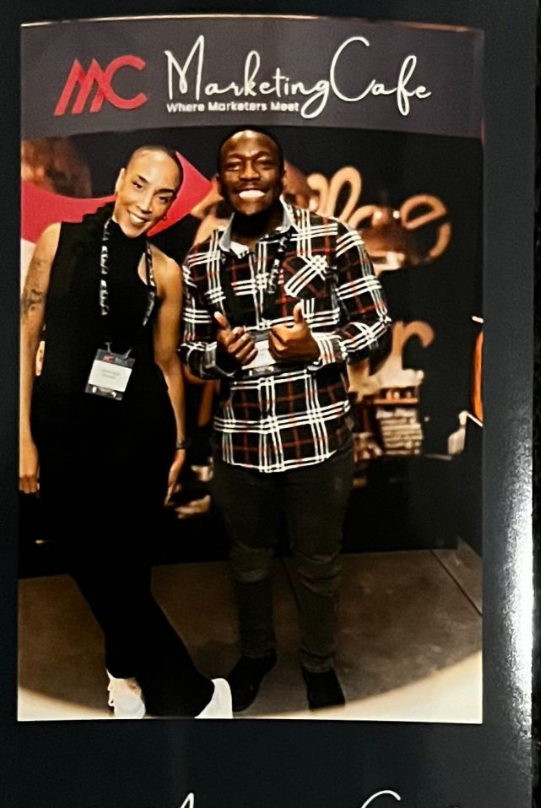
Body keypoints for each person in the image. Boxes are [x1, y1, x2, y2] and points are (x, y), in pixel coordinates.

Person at [180, 128, 391, 712]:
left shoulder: (333, 238)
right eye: (235, 165)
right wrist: (221, 358)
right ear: (219, 180)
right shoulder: (201, 260)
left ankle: (318, 664)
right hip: (239, 446)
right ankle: (257, 655)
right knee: (247, 562)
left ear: (281, 174)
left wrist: (315, 347)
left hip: (318, 439)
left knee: (318, 565)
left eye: (262, 162)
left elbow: (375, 326)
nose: (249, 174)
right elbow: (191, 353)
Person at [19, 145, 231, 718]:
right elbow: (25, 335)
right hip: (61, 431)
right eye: (139, 185)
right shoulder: (59, 242)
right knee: (89, 557)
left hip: (138, 436)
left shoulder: (165, 271)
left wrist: (180, 443)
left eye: (162, 196)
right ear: (118, 180)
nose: (146, 204)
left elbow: (166, 364)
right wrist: (22, 437)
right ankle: (191, 693)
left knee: (129, 567)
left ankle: (124, 677)